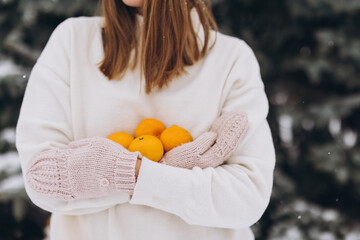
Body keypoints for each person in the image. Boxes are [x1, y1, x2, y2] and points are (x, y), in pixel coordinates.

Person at [15, 0, 276, 239]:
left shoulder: (231, 60)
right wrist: (146, 172)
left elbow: (247, 198)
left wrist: (131, 174)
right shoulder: (72, 42)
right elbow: (42, 180)